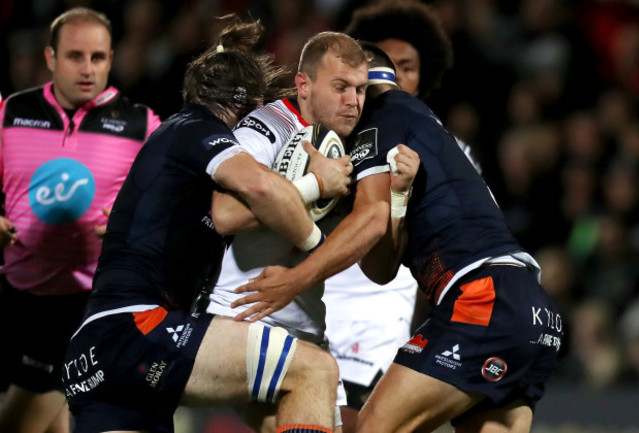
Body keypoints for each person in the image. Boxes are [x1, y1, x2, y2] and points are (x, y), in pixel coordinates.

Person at [235, 43, 563, 432]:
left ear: (367, 82)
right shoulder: (417, 126)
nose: (348, 100)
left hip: (484, 298)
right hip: (531, 312)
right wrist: (396, 198)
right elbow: (382, 268)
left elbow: (370, 219)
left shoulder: (382, 116)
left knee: (373, 427)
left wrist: (296, 279)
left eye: (351, 86)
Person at [61, 14, 344, 433]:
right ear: (244, 109)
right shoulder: (197, 128)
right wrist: (317, 193)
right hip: (138, 329)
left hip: (93, 354)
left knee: (276, 412)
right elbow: (261, 189)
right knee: (314, 370)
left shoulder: (173, 153)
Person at [0, 8, 161, 433]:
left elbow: (172, 207)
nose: (88, 69)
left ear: (111, 58)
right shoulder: (10, 113)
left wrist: (133, 223)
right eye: (75, 56)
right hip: (19, 298)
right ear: (51, 58)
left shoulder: (142, 125)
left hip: (94, 302)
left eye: (98, 57)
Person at [206, 31, 368, 433]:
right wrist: (314, 184)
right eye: (340, 87)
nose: (353, 101)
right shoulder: (268, 128)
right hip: (245, 315)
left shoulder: (351, 147)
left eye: (361, 89)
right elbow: (225, 213)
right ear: (304, 85)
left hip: (304, 326)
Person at [322, 3, 456, 430]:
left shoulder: (450, 155)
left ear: (424, 76)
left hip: (381, 315)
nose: (392, 77)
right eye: (383, 64)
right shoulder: (327, 142)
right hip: (320, 304)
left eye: (407, 67)